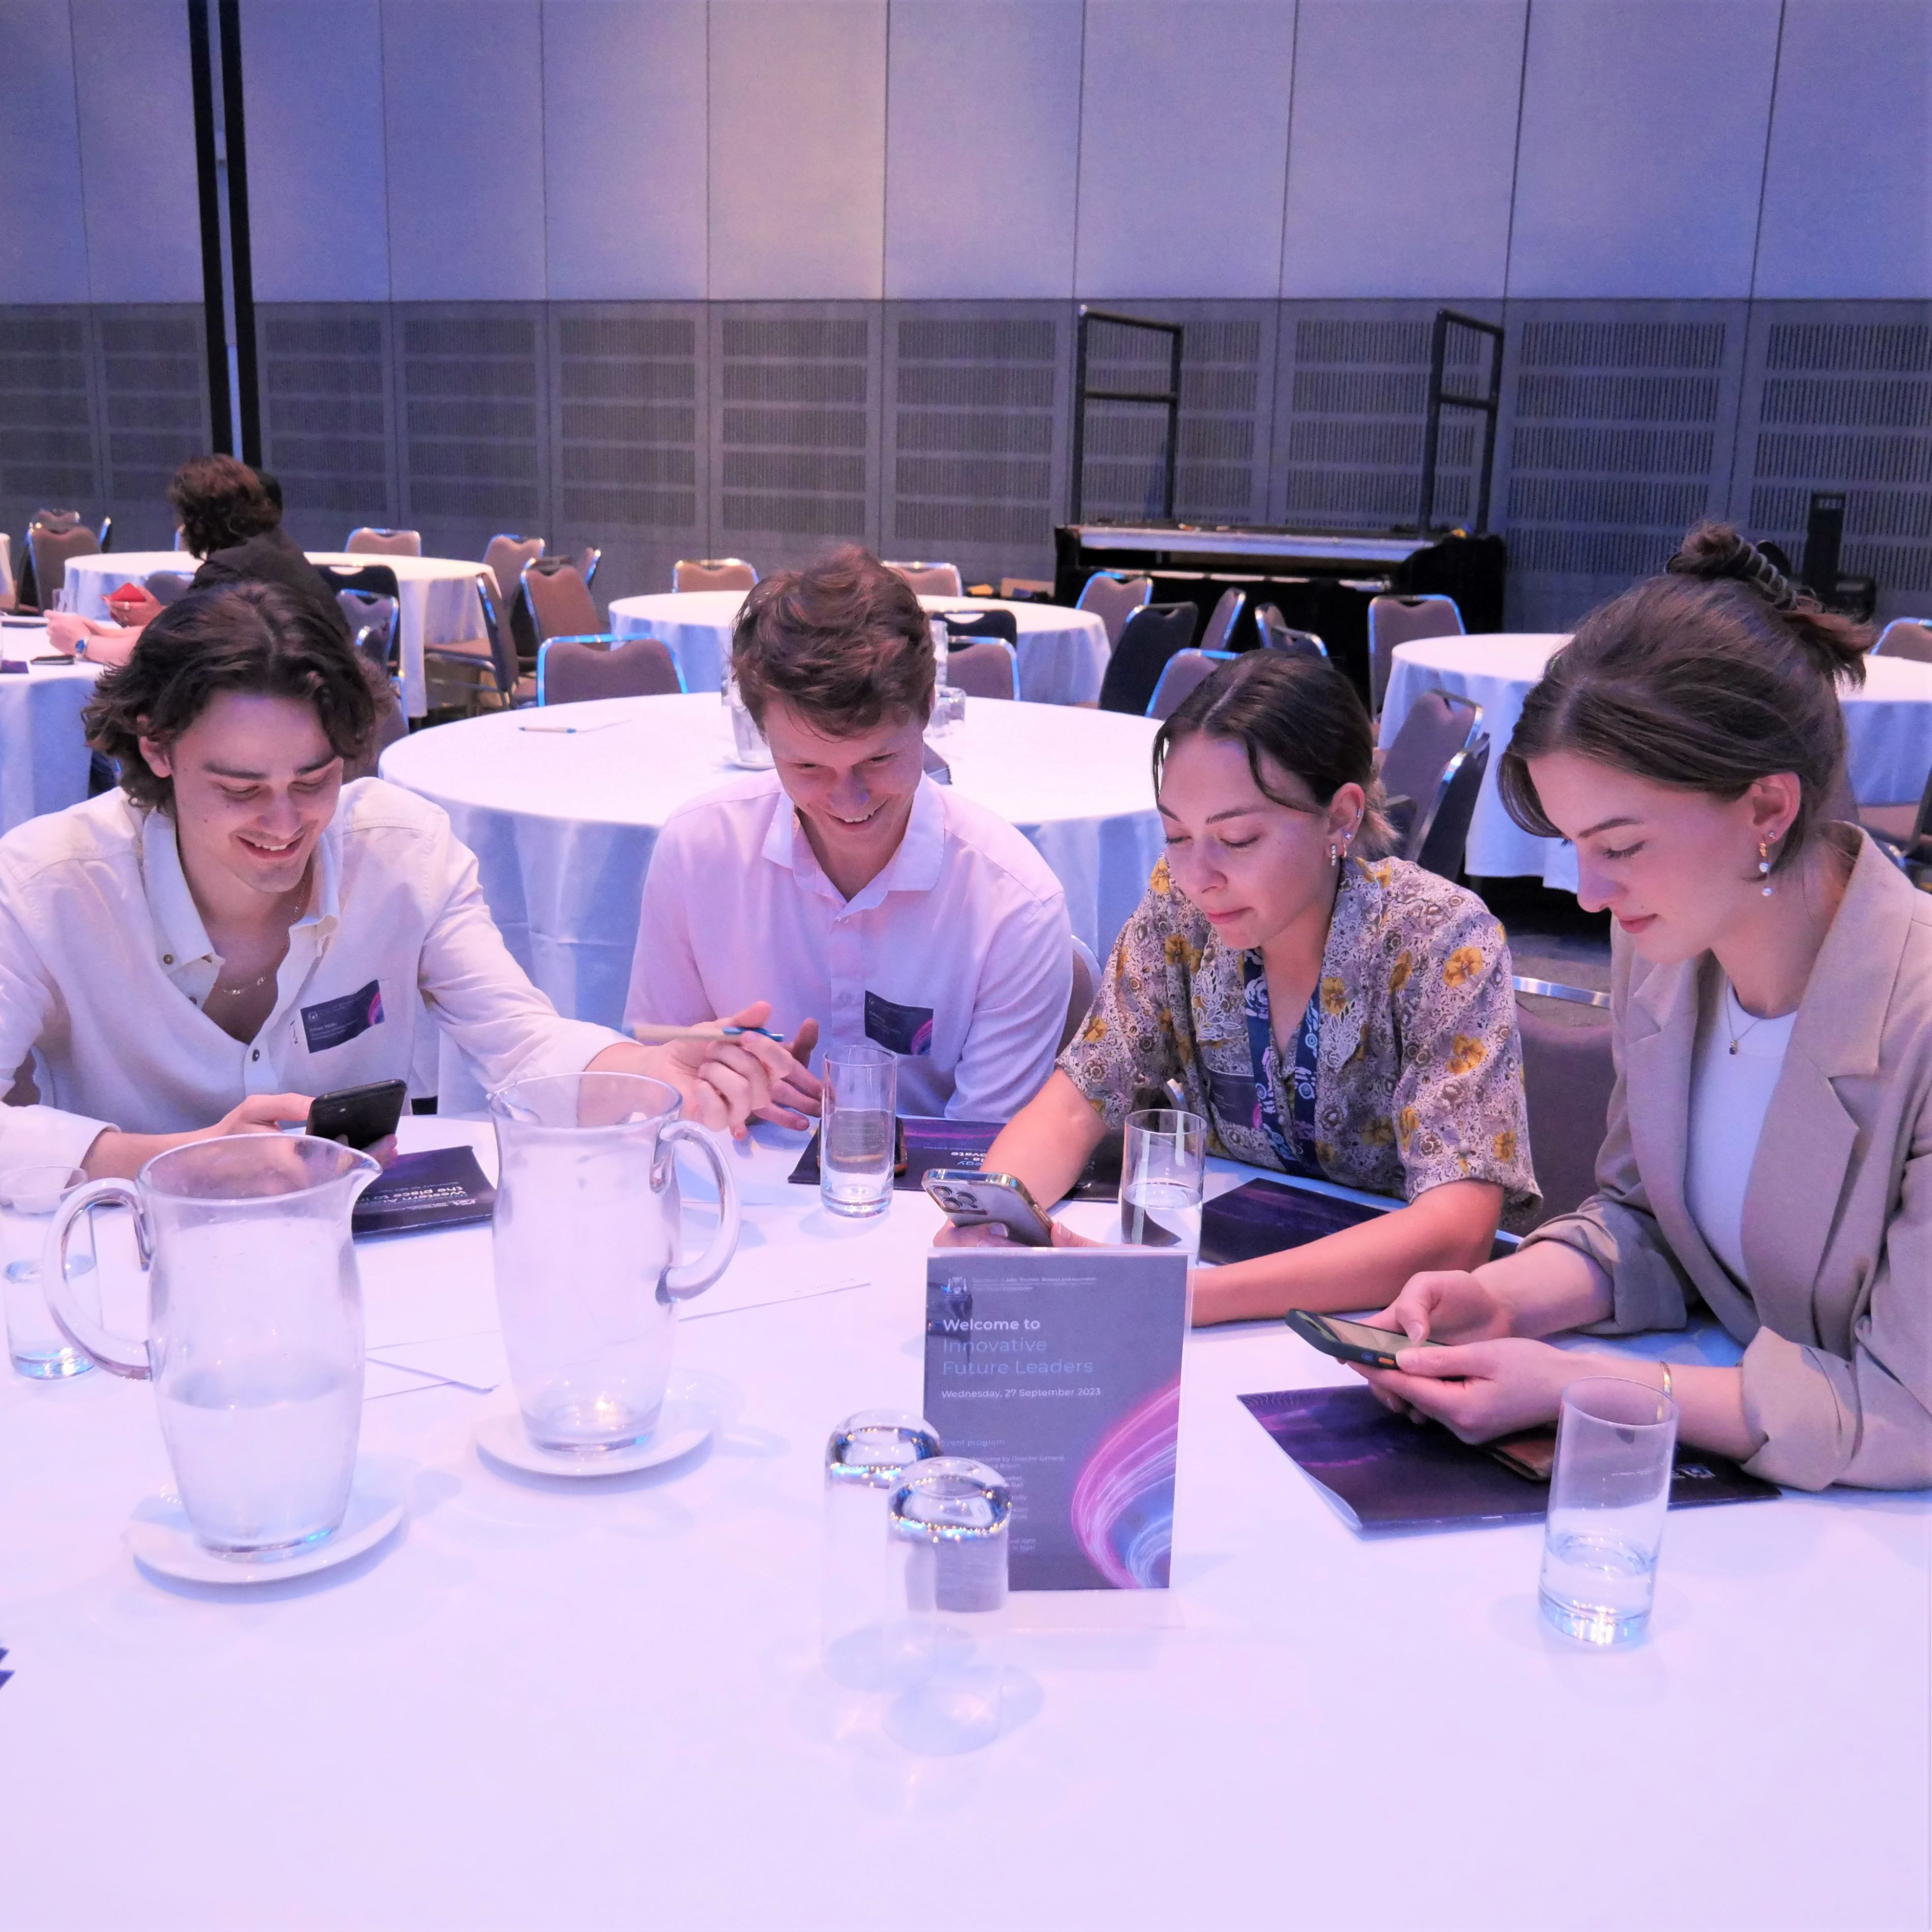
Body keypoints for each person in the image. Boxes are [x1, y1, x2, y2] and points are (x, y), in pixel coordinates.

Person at [1354, 525, 1932, 1492]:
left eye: (1620, 847)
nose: (1586, 895)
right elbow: (1649, 1223)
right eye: (1577, 844)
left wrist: (1582, 1385)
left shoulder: (1914, 1019)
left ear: (1768, 810)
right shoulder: (1666, 953)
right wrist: (1498, 1301)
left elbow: (1907, 1408)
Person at [0, 582, 796, 1179]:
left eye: (314, 781)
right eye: (240, 790)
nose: (284, 827)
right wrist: (179, 1161)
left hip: (354, 1268)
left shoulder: (401, 853)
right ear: (156, 750)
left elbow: (522, 1042)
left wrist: (651, 1075)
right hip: (126, 1276)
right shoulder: (49, 886)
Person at [950, 649, 1538, 1322]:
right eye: (1176, 835)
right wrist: (997, 1213)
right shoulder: (1180, 915)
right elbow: (1078, 1100)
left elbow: (1458, 1229)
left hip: (1395, 1320)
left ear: (1341, 817)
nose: (1199, 876)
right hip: (1223, 1277)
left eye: (1236, 839)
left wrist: (1185, 1297)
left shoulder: (1440, 940)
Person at [623, 547, 1073, 1123]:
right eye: (808, 767)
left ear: (927, 710)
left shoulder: (1012, 903)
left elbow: (981, 1156)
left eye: (878, 759)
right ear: (763, 735)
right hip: (736, 1182)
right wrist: (704, 1081)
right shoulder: (697, 850)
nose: (847, 800)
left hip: (926, 1200)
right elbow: (654, 1073)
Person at [107, 456, 348, 641]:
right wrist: (160, 615)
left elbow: (185, 644)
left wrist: (153, 621)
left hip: (311, 693)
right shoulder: (272, 543)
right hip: (340, 681)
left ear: (198, 518)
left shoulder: (228, 568)